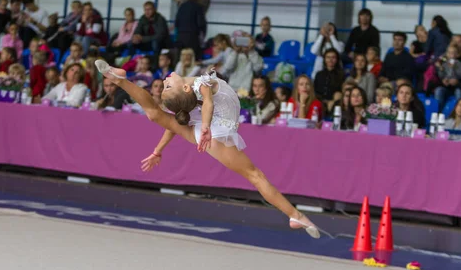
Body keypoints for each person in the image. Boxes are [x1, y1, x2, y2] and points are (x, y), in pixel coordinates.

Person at [95, 60, 320, 239]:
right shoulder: (194, 86)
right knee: (255, 175)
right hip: (214, 127)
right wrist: (194, 133)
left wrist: (166, 146)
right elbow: (197, 110)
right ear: (184, 87)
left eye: (165, 85)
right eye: (167, 85)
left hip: (211, 123)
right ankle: (295, 215)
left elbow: (198, 109)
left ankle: (120, 80)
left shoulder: (195, 87)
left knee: (155, 114)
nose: (164, 80)